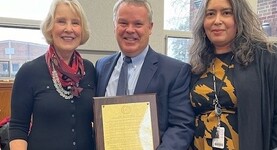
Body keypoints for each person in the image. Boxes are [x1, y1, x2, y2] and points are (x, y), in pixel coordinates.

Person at [189, 0, 277, 150]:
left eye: (226, 13)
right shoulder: (198, 64)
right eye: (210, 14)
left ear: (240, 18)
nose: (217, 21)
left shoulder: (268, 58)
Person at [95, 0, 194, 149]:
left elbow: (181, 127)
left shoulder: (175, 71)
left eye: (138, 24)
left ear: (150, 27)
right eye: (123, 23)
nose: (130, 30)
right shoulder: (102, 66)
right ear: (114, 25)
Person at [9, 0, 95, 150]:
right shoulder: (29, 71)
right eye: (61, 21)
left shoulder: (89, 70)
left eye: (75, 23)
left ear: (82, 30)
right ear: (50, 27)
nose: (69, 29)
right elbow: (18, 127)